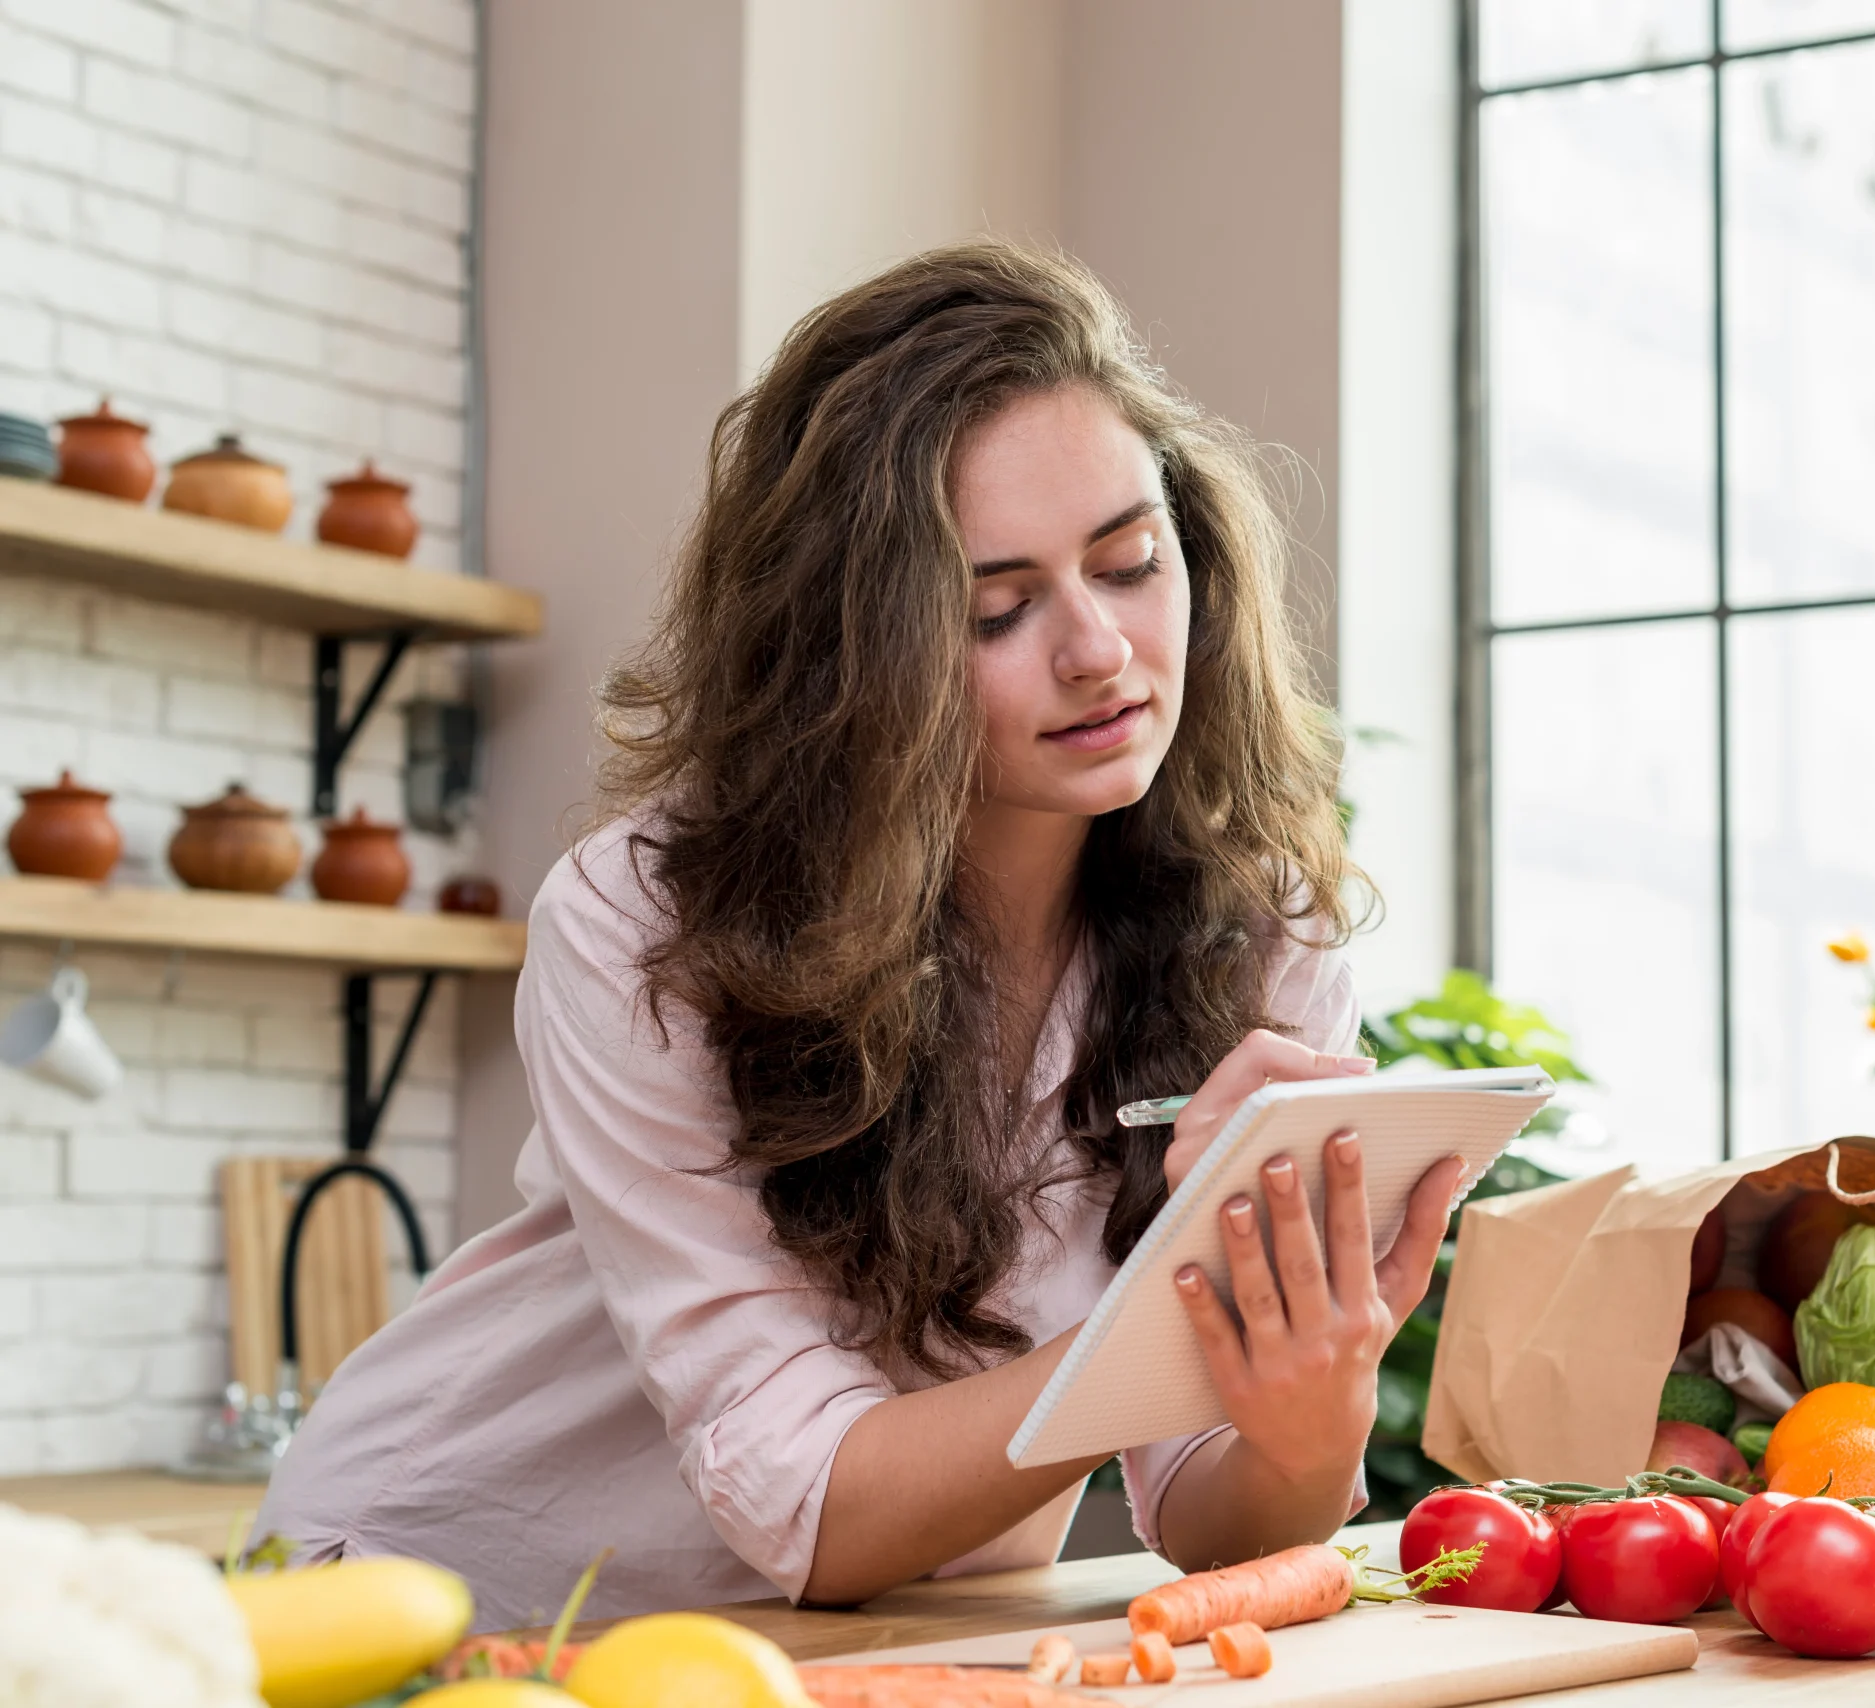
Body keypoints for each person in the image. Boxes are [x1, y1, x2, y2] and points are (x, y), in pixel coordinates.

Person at [254, 243, 1464, 1629]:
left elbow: (1210, 1513)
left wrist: (1305, 1402)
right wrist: (1185, 1316)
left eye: (1132, 563)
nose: (1099, 651)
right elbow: (808, 1501)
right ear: (853, 649)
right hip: (473, 1596)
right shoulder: (645, 921)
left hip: (896, 1635)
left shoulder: (1259, 933)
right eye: (994, 609)